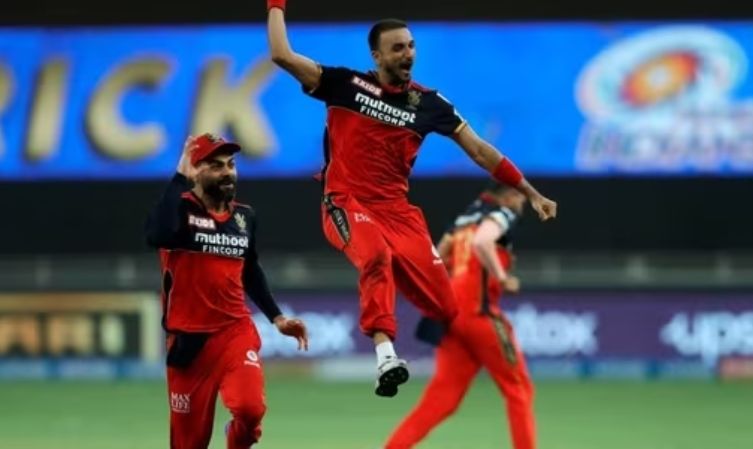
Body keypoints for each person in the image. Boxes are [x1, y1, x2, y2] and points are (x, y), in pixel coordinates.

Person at [265, 1, 557, 397]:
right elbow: (281, 54)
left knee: (446, 308)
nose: (408, 54)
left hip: (398, 214)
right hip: (346, 201)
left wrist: (529, 191)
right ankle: (385, 354)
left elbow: (480, 151)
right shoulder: (344, 85)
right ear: (377, 55)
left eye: (411, 46)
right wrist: (276, 5)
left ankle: (417, 320)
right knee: (375, 256)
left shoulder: (430, 104)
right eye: (398, 48)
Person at [145, 133, 309, 449]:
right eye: (216, 166)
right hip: (188, 341)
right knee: (188, 443)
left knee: (250, 409)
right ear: (197, 171)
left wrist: (277, 317)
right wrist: (180, 178)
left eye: (231, 165)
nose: (228, 172)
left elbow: (249, 268)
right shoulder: (180, 210)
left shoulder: (244, 217)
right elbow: (157, 234)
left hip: (234, 332)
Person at [386, 183, 536, 449]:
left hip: (451, 318)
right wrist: (501, 277)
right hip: (480, 314)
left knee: (441, 400)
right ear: (509, 196)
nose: (522, 205)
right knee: (519, 391)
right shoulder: (502, 215)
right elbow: (482, 241)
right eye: (521, 199)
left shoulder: (464, 221)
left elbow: (436, 257)